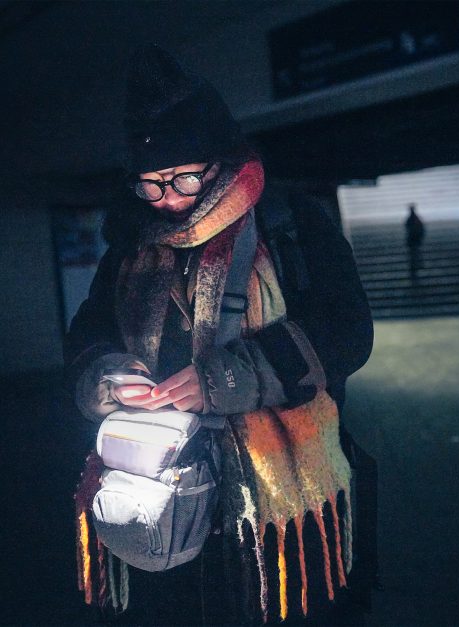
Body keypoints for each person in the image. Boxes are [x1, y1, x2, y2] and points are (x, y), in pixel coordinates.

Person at [65, 45, 373, 626]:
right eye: (151, 185)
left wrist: (232, 377)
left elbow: (348, 331)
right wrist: (107, 376)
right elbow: (89, 331)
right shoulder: (131, 247)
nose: (170, 199)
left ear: (221, 160)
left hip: (280, 507)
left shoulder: (289, 226)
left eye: (183, 177)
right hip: (156, 495)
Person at [404, 203, 425, 279]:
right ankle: (416, 267)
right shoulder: (416, 219)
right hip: (415, 240)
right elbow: (421, 229)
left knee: (413, 255)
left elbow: (407, 228)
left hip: (413, 240)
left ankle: (414, 267)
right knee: (415, 254)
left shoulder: (411, 219)